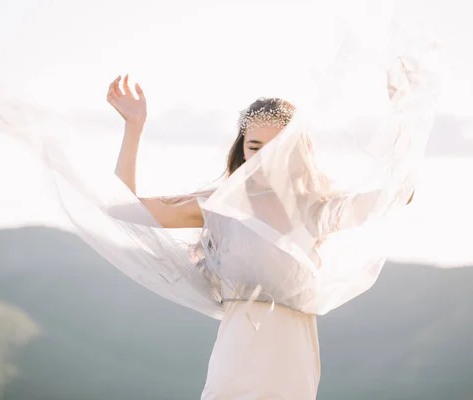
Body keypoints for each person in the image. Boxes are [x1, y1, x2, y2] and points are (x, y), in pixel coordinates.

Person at [105, 71, 416, 399]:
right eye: (255, 147)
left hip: (292, 365)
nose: (265, 159)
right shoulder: (218, 205)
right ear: (242, 150)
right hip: (235, 360)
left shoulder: (314, 208)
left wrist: (406, 117)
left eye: (278, 148)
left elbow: (399, 193)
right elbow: (122, 207)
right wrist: (134, 126)